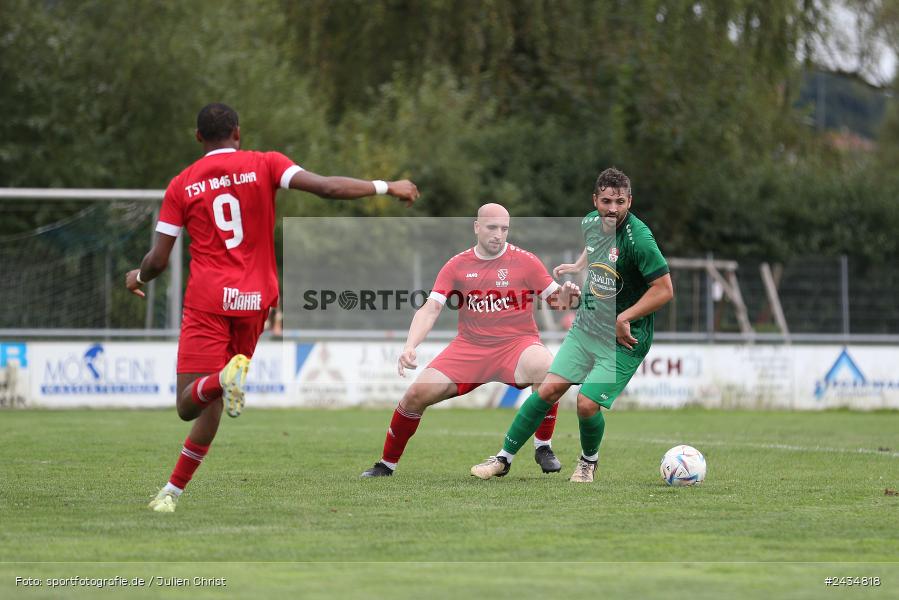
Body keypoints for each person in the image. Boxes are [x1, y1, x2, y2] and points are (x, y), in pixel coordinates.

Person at [126, 103, 419, 512]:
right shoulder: (265, 164)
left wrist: (137, 278)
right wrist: (386, 186)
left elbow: (157, 261)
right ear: (238, 133)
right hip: (256, 300)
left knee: (187, 403)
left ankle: (221, 382)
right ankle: (171, 493)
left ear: (198, 138)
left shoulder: (182, 185)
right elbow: (328, 188)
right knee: (212, 402)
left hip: (208, 301)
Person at [470, 167, 673, 482]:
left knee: (587, 403)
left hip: (624, 339)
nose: (612, 209)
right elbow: (596, 247)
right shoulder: (591, 222)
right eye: (606, 201)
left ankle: (588, 463)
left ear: (630, 201)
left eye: (620, 201)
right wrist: (580, 264)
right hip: (587, 327)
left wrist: (625, 317)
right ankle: (503, 458)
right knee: (547, 390)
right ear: (595, 200)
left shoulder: (640, 240)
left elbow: (664, 289)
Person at [361, 203, 580, 477]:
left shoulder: (526, 261)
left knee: (550, 371)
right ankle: (386, 465)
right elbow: (431, 308)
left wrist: (568, 294)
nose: (498, 234)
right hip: (470, 348)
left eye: (504, 228)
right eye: (491, 227)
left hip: (517, 345)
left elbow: (557, 301)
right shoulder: (457, 265)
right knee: (415, 395)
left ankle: (543, 446)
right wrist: (410, 346)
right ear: (477, 227)